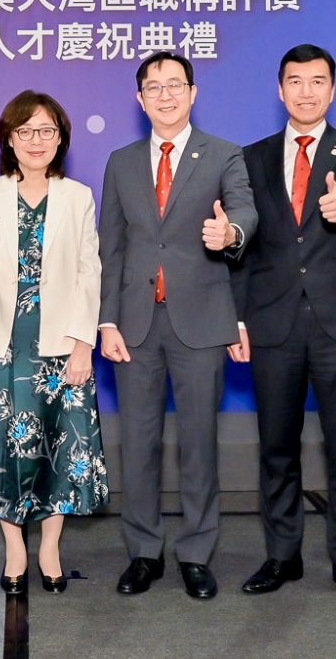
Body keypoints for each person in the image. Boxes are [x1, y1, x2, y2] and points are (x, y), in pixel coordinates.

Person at [98, 51, 256, 600]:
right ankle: (144, 551)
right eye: (153, 87)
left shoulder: (224, 155)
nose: (165, 95)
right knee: (137, 444)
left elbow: (244, 213)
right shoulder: (120, 161)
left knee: (198, 443)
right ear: (139, 99)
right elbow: (111, 247)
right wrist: (106, 320)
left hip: (201, 321)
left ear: (193, 93)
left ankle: (195, 552)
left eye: (174, 85)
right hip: (135, 325)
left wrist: (229, 234)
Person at [232, 44, 336, 602]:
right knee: (276, 445)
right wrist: (239, 318)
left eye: (317, 81)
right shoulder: (251, 156)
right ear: (279, 89)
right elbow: (242, 244)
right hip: (272, 321)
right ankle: (282, 555)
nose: (306, 91)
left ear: (332, 89)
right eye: (295, 81)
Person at [0, 90, 107, 595]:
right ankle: (14, 549)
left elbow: (90, 270)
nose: (36, 140)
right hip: (0, 340)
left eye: (46, 130)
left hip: (61, 339)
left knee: (60, 445)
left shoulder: (78, 195)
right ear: (9, 139)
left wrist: (84, 342)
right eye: (25, 131)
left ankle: (49, 546)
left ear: (60, 137)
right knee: (0, 445)